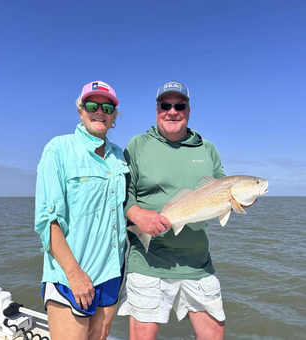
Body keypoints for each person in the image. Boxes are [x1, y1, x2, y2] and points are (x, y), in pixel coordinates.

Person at [117, 81, 227, 340]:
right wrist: (135, 215)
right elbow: (121, 193)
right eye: (165, 105)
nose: (172, 111)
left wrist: (243, 198)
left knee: (214, 332)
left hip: (198, 262)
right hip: (148, 261)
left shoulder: (207, 149)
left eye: (180, 105)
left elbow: (224, 186)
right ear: (157, 109)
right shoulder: (138, 145)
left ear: (188, 110)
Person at [35, 80, 129, 340]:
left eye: (107, 108)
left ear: (114, 117)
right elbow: (47, 221)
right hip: (71, 276)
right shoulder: (58, 149)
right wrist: (74, 273)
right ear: (80, 111)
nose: (100, 111)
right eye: (91, 105)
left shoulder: (120, 156)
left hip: (111, 273)